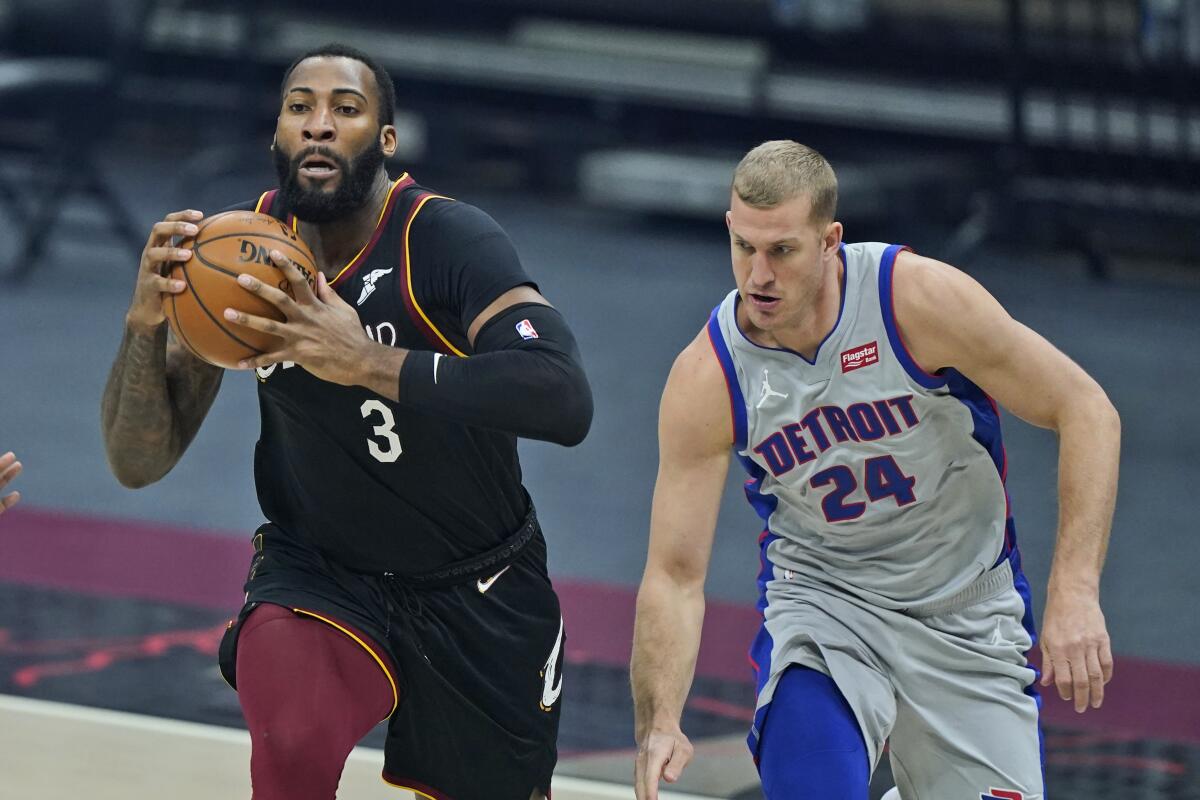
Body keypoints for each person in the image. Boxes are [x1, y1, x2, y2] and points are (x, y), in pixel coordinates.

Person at [101, 43, 592, 800]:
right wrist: (145, 324)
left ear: (386, 141)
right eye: (300, 108)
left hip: (478, 582)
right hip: (321, 574)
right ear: (276, 137)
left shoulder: (445, 238)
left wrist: (367, 363)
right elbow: (140, 459)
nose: (319, 126)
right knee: (292, 747)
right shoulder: (244, 257)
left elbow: (562, 396)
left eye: (346, 109)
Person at [630, 140, 1119, 800]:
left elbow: (1086, 408)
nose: (759, 276)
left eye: (782, 251)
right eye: (744, 247)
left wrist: (1077, 589)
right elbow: (674, 574)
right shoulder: (710, 376)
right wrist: (659, 721)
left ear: (830, 241)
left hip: (964, 608)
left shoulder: (914, 300)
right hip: (828, 605)